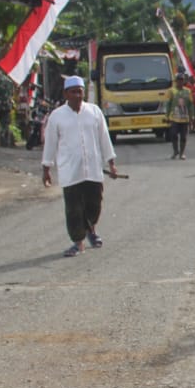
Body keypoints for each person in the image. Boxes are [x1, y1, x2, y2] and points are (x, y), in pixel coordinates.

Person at [41, 75, 119, 258]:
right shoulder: (57, 116)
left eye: (80, 91)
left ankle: (91, 230)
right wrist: (46, 168)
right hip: (70, 171)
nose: (77, 95)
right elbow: (50, 144)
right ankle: (78, 242)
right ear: (66, 94)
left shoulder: (94, 112)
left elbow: (104, 138)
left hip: (93, 169)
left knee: (94, 205)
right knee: (74, 208)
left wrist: (111, 163)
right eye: (73, 92)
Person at [165, 72, 193, 159]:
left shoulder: (188, 91)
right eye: (178, 80)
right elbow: (168, 104)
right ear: (175, 81)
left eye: (181, 80)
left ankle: (182, 153)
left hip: (184, 118)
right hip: (174, 117)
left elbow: (191, 104)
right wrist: (167, 116)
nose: (180, 82)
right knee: (173, 134)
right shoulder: (171, 91)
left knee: (183, 136)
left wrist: (192, 116)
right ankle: (175, 151)